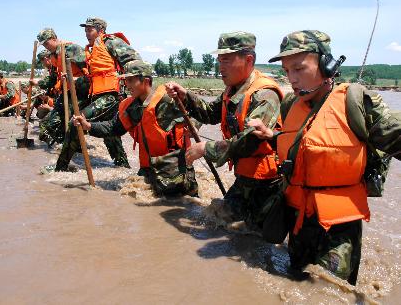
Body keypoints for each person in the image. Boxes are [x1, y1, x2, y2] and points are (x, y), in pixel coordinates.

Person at [247, 30, 401, 285]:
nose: (292, 79)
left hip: (337, 231)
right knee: (294, 284)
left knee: (327, 292)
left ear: (326, 64)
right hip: (297, 224)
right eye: (287, 71)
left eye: (299, 68)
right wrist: (271, 137)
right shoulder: (290, 106)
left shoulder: (356, 100)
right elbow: (304, 149)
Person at [166, 32, 283, 230]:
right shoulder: (233, 89)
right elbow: (210, 113)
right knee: (221, 224)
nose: (220, 67)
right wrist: (186, 96)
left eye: (226, 60)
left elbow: (248, 142)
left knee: (258, 237)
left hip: (266, 183)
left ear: (248, 60)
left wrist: (205, 148)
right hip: (245, 178)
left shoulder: (265, 95)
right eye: (219, 60)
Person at [72, 60, 198, 196]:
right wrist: (88, 125)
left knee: (180, 202)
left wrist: (194, 127)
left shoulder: (168, 99)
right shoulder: (132, 107)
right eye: (126, 80)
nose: (127, 85)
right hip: (148, 169)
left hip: (175, 168)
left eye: (131, 80)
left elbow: (197, 113)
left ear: (146, 81)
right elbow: (114, 128)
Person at [54, 17, 141, 170]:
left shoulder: (111, 42)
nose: (86, 33)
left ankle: (60, 168)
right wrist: (71, 78)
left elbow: (135, 61)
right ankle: (124, 169)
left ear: (100, 30)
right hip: (98, 95)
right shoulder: (93, 49)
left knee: (76, 123)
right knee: (111, 136)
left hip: (110, 96)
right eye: (85, 30)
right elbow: (93, 75)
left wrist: (129, 82)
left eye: (90, 29)